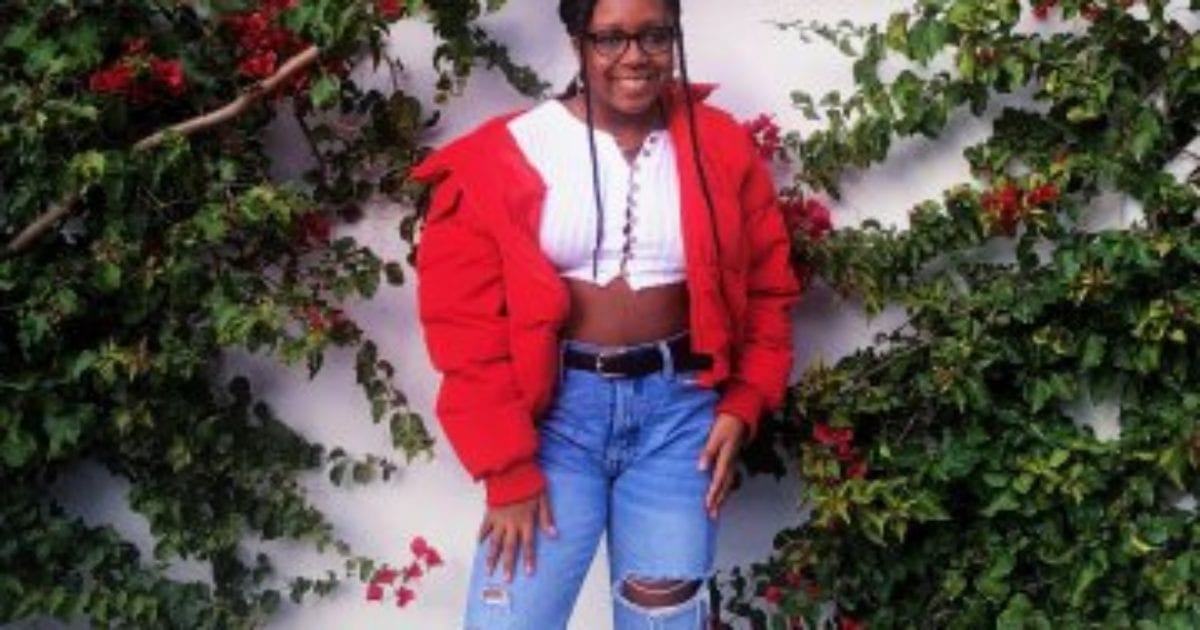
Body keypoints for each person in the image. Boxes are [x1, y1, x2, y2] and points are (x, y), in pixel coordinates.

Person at [412, 0, 799, 627]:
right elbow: (464, 329)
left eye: (654, 36)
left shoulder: (719, 144)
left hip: (679, 423)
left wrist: (744, 400)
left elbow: (767, 288)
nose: (634, 57)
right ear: (577, 43)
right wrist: (507, 470)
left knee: (663, 622)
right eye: (610, 38)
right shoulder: (508, 152)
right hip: (555, 423)